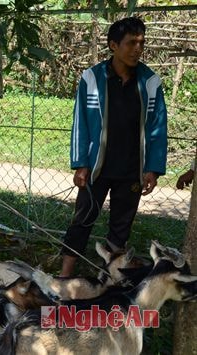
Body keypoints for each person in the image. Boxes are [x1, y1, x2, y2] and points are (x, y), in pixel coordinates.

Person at [60, 17, 168, 277]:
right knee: (83, 218)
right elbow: (81, 124)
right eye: (131, 43)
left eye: (141, 43)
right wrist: (81, 164)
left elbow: (158, 127)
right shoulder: (93, 78)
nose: (137, 49)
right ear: (113, 45)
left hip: (131, 168)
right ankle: (65, 274)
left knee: (121, 226)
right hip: (97, 166)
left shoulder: (150, 82)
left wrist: (152, 168)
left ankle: (111, 277)